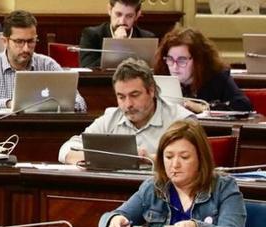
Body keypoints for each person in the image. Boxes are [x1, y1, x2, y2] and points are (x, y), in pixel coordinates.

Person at [99, 120, 246, 227]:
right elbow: (110, 217)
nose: (175, 164)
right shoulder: (154, 187)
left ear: (201, 159)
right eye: (169, 157)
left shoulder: (224, 187)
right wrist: (115, 219)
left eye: (184, 157)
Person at [59, 58, 194, 163]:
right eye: (121, 97)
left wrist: (148, 159)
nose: (128, 104)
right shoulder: (111, 118)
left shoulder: (181, 120)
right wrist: (107, 158)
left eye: (135, 95)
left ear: (151, 90)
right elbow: (65, 150)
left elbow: (191, 161)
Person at [0, 9, 87, 112]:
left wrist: (53, 106)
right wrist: (7, 103)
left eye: (31, 41)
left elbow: (80, 102)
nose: (26, 48)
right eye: (19, 42)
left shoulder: (47, 64)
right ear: (5, 41)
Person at [153, 26, 252, 113]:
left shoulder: (217, 77)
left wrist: (203, 108)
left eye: (182, 60)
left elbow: (243, 105)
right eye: (170, 59)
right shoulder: (161, 75)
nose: (174, 67)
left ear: (198, 60)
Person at [77, 0, 156, 68]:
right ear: (109, 10)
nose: (122, 21)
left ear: (137, 15)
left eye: (129, 16)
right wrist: (116, 45)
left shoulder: (147, 38)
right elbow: (87, 68)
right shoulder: (91, 35)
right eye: (118, 14)